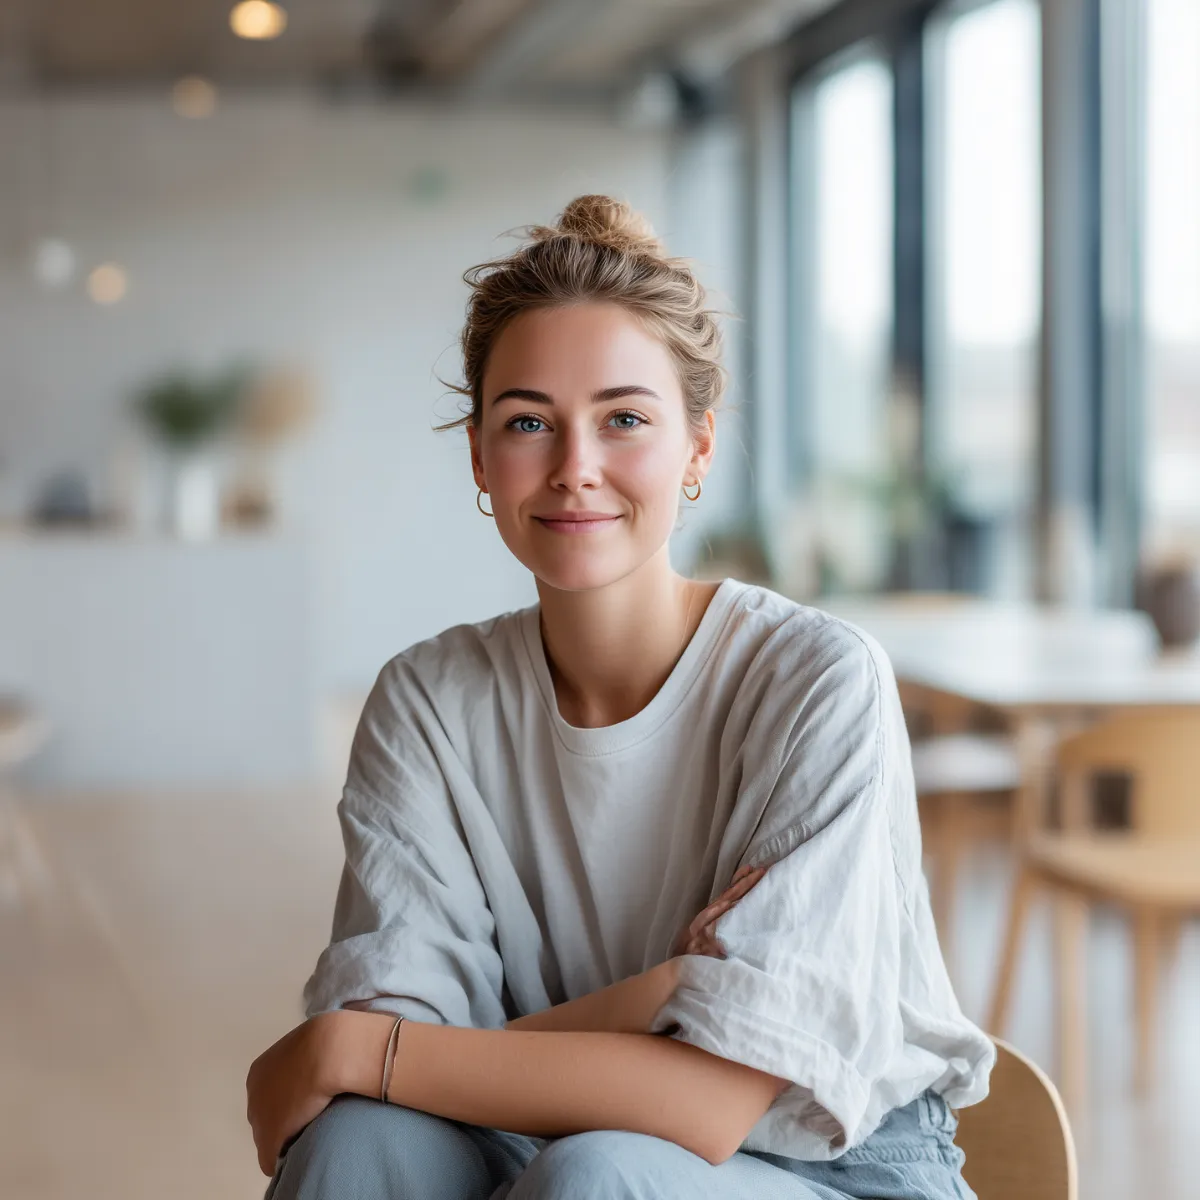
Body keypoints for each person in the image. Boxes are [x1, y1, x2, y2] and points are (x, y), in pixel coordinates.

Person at [246, 195, 994, 1200]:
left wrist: (359, 1049)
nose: (575, 470)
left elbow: (714, 1100)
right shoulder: (427, 701)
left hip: (834, 1168)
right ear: (480, 456)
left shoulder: (816, 680)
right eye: (528, 423)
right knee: (358, 1146)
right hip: (536, 1138)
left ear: (698, 448)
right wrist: (660, 999)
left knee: (603, 1177)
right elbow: (406, 1039)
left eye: (625, 420)